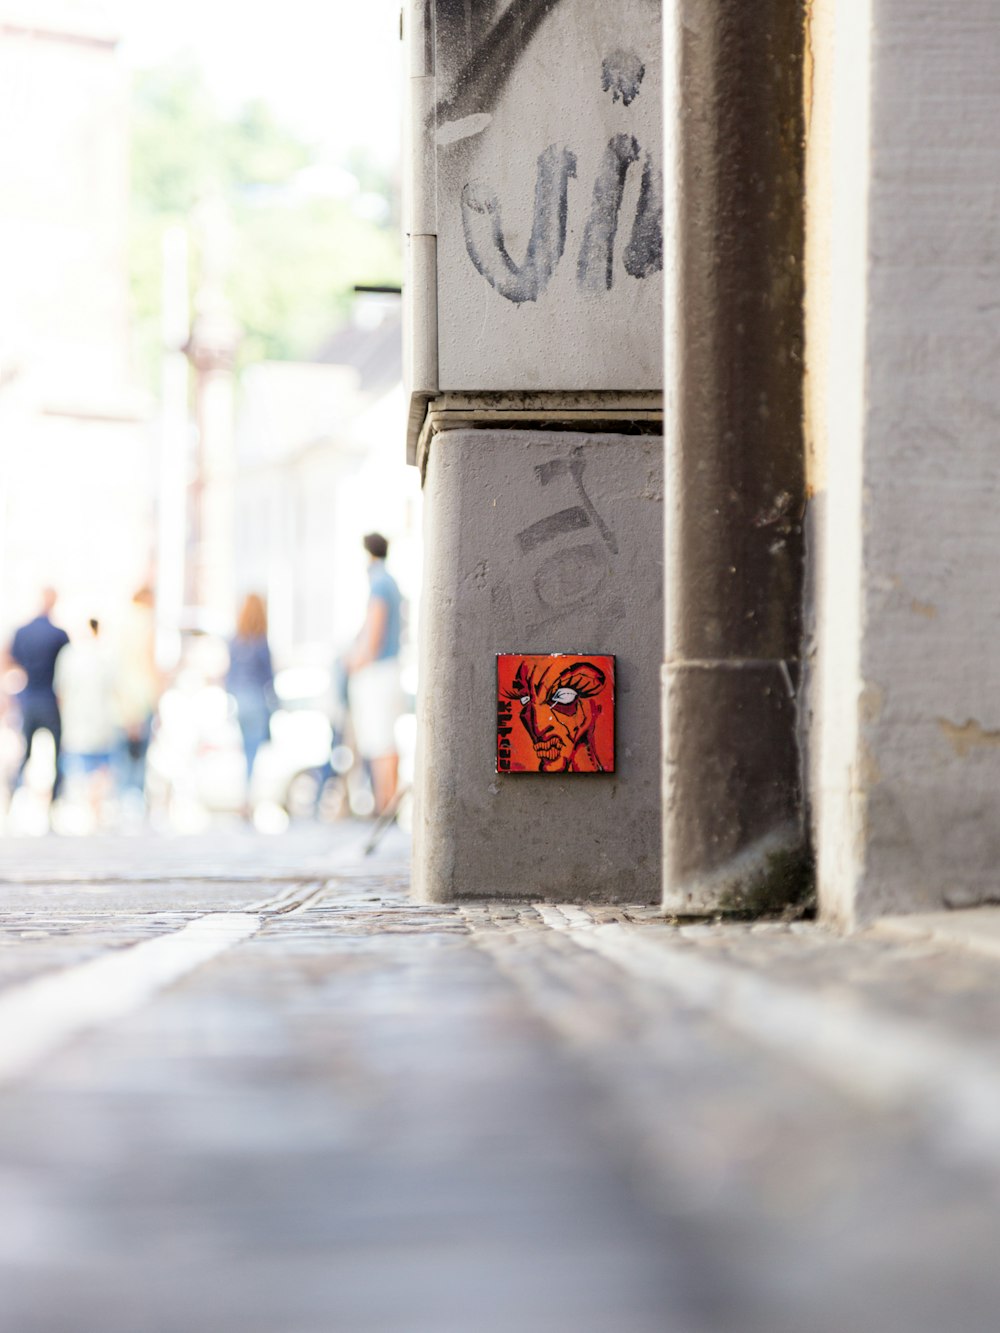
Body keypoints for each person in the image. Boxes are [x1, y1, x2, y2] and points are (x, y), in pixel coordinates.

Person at [346, 532, 403, 815]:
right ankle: (387, 803)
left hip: (378, 673)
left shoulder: (379, 583)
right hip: (388, 670)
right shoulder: (389, 581)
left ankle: (386, 805)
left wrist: (355, 661)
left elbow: (373, 635)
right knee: (385, 740)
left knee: (380, 741)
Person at [8, 588, 70, 804]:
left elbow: (9, 660)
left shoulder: (22, 632)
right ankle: (54, 802)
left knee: (26, 753)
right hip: (50, 700)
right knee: (57, 755)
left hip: (29, 699)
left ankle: (14, 796)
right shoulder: (59, 635)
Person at [54, 618, 119, 823]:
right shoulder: (103, 655)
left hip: (81, 722)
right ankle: (92, 810)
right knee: (95, 770)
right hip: (95, 721)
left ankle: (89, 809)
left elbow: (60, 691)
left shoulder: (70, 655)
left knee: (81, 771)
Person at [226, 593, 275, 799]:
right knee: (253, 751)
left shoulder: (235, 641)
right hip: (255, 700)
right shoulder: (261, 642)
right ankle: (248, 795)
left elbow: (229, 673)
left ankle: (243, 795)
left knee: (244, 748)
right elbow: (269, 677)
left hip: (239, 700)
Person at [116, 585, 162, 804]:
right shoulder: (147, 623)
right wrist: (158, 698)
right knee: (140, 752)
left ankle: (121, 796)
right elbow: (150, 661)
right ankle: (134, 797)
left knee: (122, 750)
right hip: (142, 692)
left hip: (122, 695)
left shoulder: (122, 622)